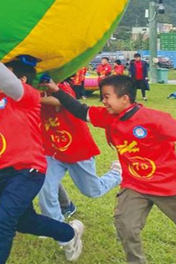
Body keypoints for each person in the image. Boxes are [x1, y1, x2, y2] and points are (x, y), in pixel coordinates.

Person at [45, 75, 176, 264]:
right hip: (134, 184)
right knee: (126, 225)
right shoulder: (108, 117)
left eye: (106, 97)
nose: (103, 101)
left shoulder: (155, 119)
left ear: (124, 98)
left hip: (167, 185)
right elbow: (80, 110)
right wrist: (57, 91)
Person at [0, 40, 84, 264]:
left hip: (28, 170)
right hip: (2, 172)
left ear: (22, 80)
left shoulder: (27, 96)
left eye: (5, 74)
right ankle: (70, 233)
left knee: (1, 222)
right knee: (24, 221)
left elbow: (11, 85)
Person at [38, 79, 122, 222]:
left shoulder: (61, 86)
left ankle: (116, 174)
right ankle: (55, 225)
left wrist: (33, 97)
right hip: (53, 151)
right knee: (45, 187)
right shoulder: (28, 89)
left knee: (92, 191)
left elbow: (62, 101)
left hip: (77, 150)